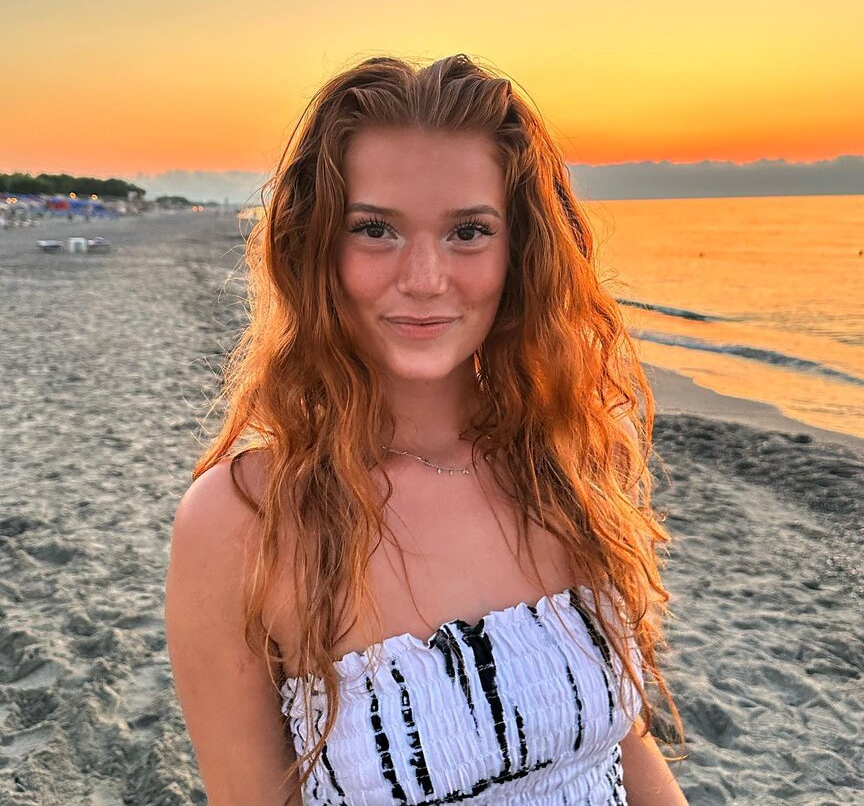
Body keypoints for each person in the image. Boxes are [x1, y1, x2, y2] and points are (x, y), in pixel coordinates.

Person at [164, 54, 689, 805]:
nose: (424, 279)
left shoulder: (564, 459)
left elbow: (623, 747)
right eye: (375, 230)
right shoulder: (243, 522)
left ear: (520, 252)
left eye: (468, 232)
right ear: (316, 247)